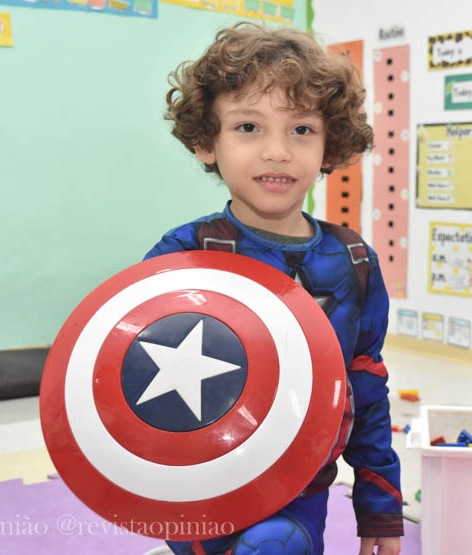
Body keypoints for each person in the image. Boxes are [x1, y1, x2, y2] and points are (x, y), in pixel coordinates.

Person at [145, 21, 403, 555]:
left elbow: (365, 386)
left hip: (301, 487)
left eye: (301, 129)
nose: (277, 151)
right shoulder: (184, 255)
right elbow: (133, 372)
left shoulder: (354, 261)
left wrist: (380, 504)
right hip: (200, 487)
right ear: (206, 142)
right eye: (249, 127)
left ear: (330, 144)